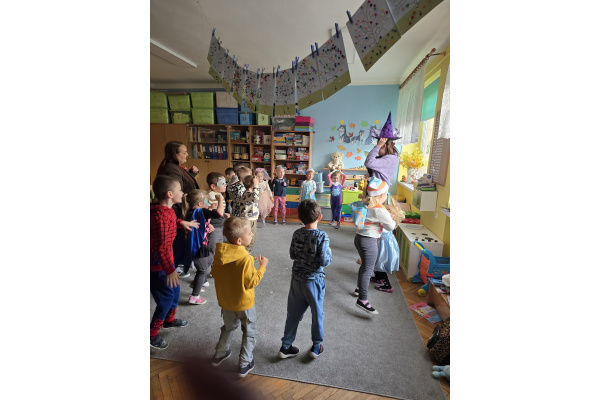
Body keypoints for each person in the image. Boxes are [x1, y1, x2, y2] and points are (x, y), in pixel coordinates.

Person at [211, 217, 269, 378]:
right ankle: (244, 363)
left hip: (226, 302)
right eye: (249, 233)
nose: (252, 234)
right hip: (244, 304)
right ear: (239, 241)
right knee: (249, 331)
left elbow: (214, 273)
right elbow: (252, 282)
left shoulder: (220, 254)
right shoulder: (245, 259)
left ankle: (219, 354)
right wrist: (262, 267)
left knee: (228, 327)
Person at [278, 199, 332, 360]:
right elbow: (325, 261)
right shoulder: (322, 236)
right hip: (313, 281)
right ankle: (316, 346)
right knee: (317, 314)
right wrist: (329, 251)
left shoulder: (297, 233)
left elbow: (292, 255)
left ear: (299, 217)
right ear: (320, 217)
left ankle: (285, 346)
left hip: (296, 280)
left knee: (293, 314)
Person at [150, 175, 199, 349]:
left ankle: (168, 320)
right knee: (165, 299)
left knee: (175, 291)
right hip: (158, 265)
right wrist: (170, 270)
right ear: (170, 194)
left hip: (166, 262)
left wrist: (181, 222)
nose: (183, 193)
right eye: (180, 190)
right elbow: (162, 247)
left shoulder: (167, 211)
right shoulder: (161, 216)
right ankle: (151, 334)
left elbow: (170, 222)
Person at [364, 112, 400, 288]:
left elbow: (368, 162)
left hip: (381, 197)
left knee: (382, 237)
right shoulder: (387, 158)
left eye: (380, 144)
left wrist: (377, 147)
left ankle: (384, 280)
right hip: (378, 196)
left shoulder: (389, 158)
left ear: (385, 144)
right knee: (376, 234)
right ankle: (377, 274)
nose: (377, 147)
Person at [156, 141, 200, 278]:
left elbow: (182, 184)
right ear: (174, 154)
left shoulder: (176, 167)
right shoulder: (171, 169)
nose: (187, 155)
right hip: (177, 210)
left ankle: (175, 264)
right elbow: (175, 191)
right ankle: (173, 267)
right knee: (174, 242)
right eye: (184, 152)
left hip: (178, 211)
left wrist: (192, 174)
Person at [353, 177, 396, 314]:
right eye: (386, 194)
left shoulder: (366, 204)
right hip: (369, 241)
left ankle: (359, 288)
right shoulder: (380, 209)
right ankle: (362, 300)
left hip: (359, 238)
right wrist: (389, 219)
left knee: (364, 266)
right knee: (368, 269)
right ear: (381, 195)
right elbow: (391, 226)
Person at [181, 189, 225, 304]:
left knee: (210, 258)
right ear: (200, 203)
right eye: (207, 201)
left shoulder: (192, 212)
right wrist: (220, 200)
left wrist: (209, 210)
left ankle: (196, 283)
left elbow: (202, 219)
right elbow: (219, 214)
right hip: (199, 247)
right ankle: (195, 296)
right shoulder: (201, 212)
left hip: (198, 245)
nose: (208, 202)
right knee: (202, 270)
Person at [205, 172, 230, 283]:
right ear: (213, 186)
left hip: (220, 226)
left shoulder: (219, 195)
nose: (225, 185)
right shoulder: (209, 196)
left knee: (219, 248)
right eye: (222, 183)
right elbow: (204, 211)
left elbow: (218, 211)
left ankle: (215, 268)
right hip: (213, 227)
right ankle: (209, 270)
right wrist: (207, 223)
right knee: (213, 249)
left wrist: (224, 214)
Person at [239, 175, 260, 255]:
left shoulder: (246, 193)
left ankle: (246, 252)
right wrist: (256, 184)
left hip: (248, 218)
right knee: (251, 238)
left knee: (248, 236)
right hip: (249, 220)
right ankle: (246, 254)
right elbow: (256, 197)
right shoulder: (249, 194)